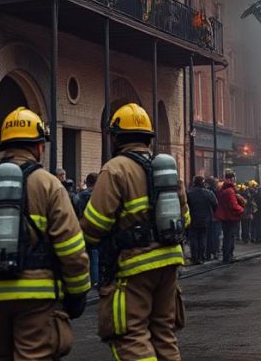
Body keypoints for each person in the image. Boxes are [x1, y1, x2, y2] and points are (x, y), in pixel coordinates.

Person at [0, 107, 90, 360]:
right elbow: (71, 248)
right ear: (39, 147)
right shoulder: (49, 184)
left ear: (3, 144)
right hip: (36, 295)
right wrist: (78, 292)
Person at [81, 103, 190, 361]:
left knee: (130, 335)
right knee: (164, 333)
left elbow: (95, 224)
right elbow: (185, 218)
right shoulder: (167, 170)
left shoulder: (115, 169)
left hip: (134, 266)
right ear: (148, 138)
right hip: (170, 261)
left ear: (116, 138)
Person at [75, 173, 101, 285]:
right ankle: (95, 281)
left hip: (81, 228)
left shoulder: (79, 196)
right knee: (94, 254)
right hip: (94, 229)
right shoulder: (97, 196)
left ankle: (84, 280)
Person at [185, 176, 217, 264]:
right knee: (203, 238)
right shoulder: (208, 193)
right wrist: (211, 213)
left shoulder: (189, 193)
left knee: (193, 239)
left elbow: (186, 206)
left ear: (194, 183)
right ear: (203, 183)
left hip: (193, 219)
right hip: (205, 220)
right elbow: (215, 204)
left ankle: (195, 258)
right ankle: (202, 256)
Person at [215, 173, 245, 264]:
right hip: (231, 218)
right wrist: (242, 210)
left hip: (225, 217)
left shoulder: (222, 190)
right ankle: (228, 256)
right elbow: (233, 205)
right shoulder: (230, 191)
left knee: (227, 237)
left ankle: (227, 256)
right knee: (229, 238)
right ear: (232, 179)